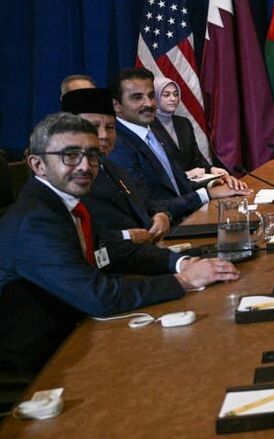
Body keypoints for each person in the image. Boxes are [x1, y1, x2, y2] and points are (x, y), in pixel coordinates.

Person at [0, 113, 239, 375]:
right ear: (37, 164)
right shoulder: (35, 221)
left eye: (92, 155)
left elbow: (112, 252)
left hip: (82, 333)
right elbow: (99, 297)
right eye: (70, 155)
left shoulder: (63, 202)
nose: (85, 166)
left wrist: (181, 263)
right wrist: (184, 281)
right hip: (44, 360)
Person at [108, 67, 250, 210]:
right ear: (117, 105)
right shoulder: (118, 143)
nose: (149, 104)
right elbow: (147, 206)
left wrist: (215, 183)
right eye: (137, 97)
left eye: (151, 96)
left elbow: (177, 183)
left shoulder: (151, 133)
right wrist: (207, 194)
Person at [61, 87, 172, 245]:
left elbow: (142, 201)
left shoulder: (112, 167)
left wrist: (162, 215)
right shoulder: (69, 177)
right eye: (94, 126)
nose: (104, 136)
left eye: (110, 127)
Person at [151, 76, 226, 180]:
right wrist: (186, 174)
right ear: (155, 97)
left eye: (176, 94)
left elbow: (195, 158)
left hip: (193, 184)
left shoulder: (183, 123)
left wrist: (211, 169)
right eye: (166, 95)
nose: (173, 98)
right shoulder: (148, 126)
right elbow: (155, 170)